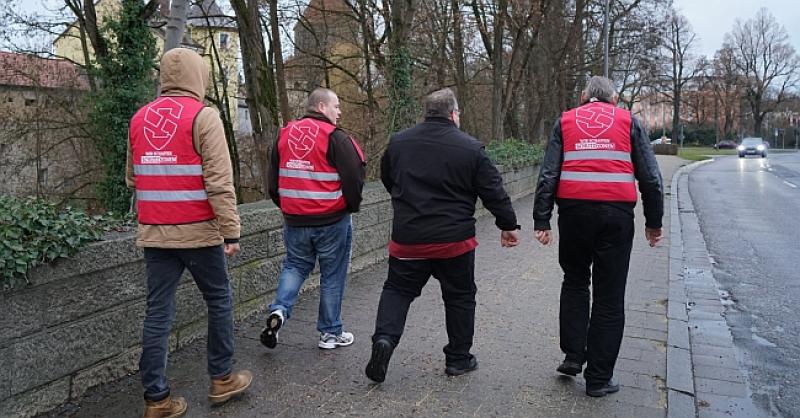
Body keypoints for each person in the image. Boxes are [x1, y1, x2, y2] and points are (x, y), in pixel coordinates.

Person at [126, 48, 252, 418]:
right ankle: (222, 378)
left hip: (155, 235)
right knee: (219, 300)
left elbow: (132, 178)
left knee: (157, 315)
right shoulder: (203, 116)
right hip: (199, 234)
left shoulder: (138, 119)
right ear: (199, 77)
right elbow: (219, 182)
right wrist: (231, 233)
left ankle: (157, 399)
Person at [365, 88, 520, 383]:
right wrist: (508, 225)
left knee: (397, 290)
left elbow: (389, 178)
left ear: (427, 113)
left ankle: (384, 340)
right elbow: (493, 191)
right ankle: (459, 359)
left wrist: (407, 204)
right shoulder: (471, 148)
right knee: (460, 297)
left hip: (408, 239)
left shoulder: (399, 143)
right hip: (454, 242)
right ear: (453, 113)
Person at [532, 76, 664, 397]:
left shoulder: (565, 121)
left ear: (583, 97)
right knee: (609, 295)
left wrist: (542, 219)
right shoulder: (629, 121)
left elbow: (549, 172)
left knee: (575, 282)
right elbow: (650, 176)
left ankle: (574, 356)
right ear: (614, 99)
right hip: (616, 217)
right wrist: (653, 222)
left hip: (574, 215)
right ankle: (599, 379)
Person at [260, 87, 366, 350]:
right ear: (321, 107)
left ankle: (280, 310)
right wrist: (351, 206)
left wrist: (285, 205)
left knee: (295, 266)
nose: (339, 112)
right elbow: (354, 175)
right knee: (332, 275)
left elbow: (272, 179)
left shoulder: (284, 134)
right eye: (336, 106)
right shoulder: (336, 138)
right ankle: (330, 333)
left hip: (295, 219)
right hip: (331, 220)